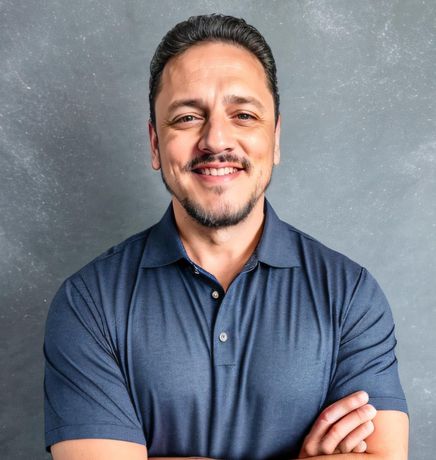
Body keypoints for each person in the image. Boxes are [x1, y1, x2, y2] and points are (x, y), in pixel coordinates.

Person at [43, 14, 409, 460]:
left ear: (274, 138)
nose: (216, 139)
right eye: (188, 117)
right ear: (155, 144)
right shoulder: (89, 303)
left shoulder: (350, 295)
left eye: (244, 115)